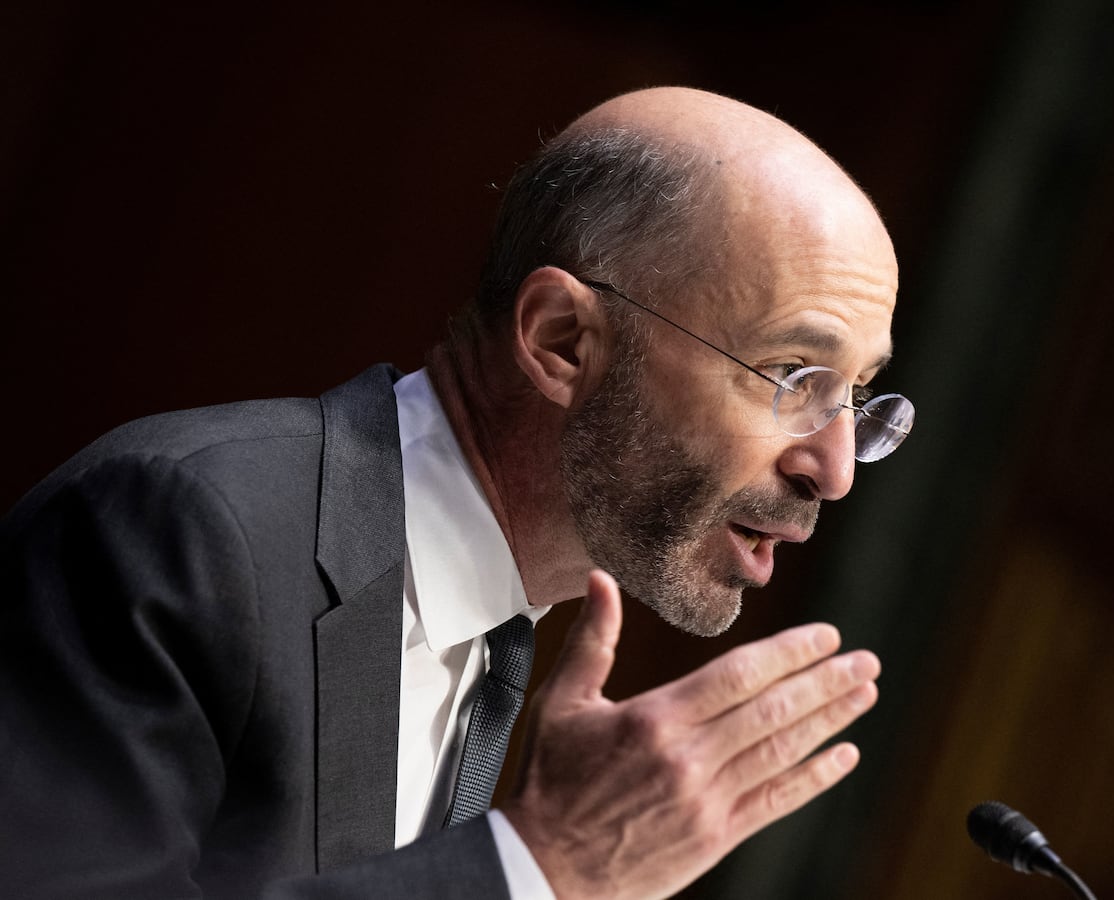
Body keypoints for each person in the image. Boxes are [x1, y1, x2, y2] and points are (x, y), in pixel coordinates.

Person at [0, 87, 913, 899]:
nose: (831, 468)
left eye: (860, 398)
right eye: (793, 375)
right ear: (561, 341)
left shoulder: (493, 637)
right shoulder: (183, 533)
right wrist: (547, 864)